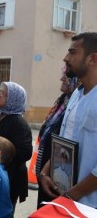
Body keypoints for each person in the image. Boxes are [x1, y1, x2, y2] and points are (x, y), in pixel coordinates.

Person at [40, 32, 97, 208]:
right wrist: (46, 171)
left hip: (88, 206)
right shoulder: (75, 95)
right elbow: (66, 140)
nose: (66, 58)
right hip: (65, 199)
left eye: (73, 52)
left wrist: (72, 195)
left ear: (92, 59)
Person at [0, 81, 32, 211]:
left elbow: (25, 152)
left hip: (7, 179)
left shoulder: (19, 123)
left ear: (13, 99)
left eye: (4, 93)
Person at [35, 71, 79, 208]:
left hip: (58, 178)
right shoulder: (63, 101)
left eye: (66, 76)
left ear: (75, 81)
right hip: (47, 175)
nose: (61, 78)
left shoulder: (75, 105)